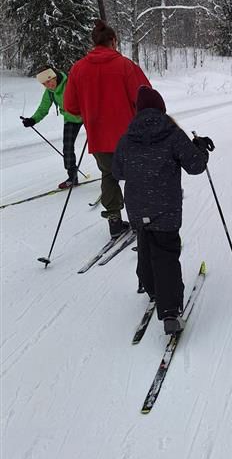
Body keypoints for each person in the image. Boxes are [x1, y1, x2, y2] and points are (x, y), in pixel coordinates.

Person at [112, 86, 213, 334]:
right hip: (165, 208)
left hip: (137, 207)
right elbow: (196, 166)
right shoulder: (172, 134)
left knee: (146, 244)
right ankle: (169, 312)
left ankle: (152, 288)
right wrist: (200, 148)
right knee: (166, 253)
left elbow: (117, 172)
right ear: (161, 108)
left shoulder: (127, 138)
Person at [63, 20, 150, 238]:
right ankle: (141, 220)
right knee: (135, 176)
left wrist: (90, 109)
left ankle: (114, 221)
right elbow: (145, 97)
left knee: (109, 176)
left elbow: (70, 107)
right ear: (113, 41)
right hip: (128, 135)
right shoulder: (125, 66)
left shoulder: (78, 68)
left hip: (98, 136)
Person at [21, 67, 84, 189]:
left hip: (86, 116)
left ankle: (109, 172)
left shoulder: (70, 82)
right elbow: (43, 108)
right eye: (44, 84)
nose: (49, 85)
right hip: (70, 119)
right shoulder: (50, 92)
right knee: (67, 148)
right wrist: (33, 120)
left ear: (54, 77)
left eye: (49, 81)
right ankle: (72, 177)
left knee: (97, 145)